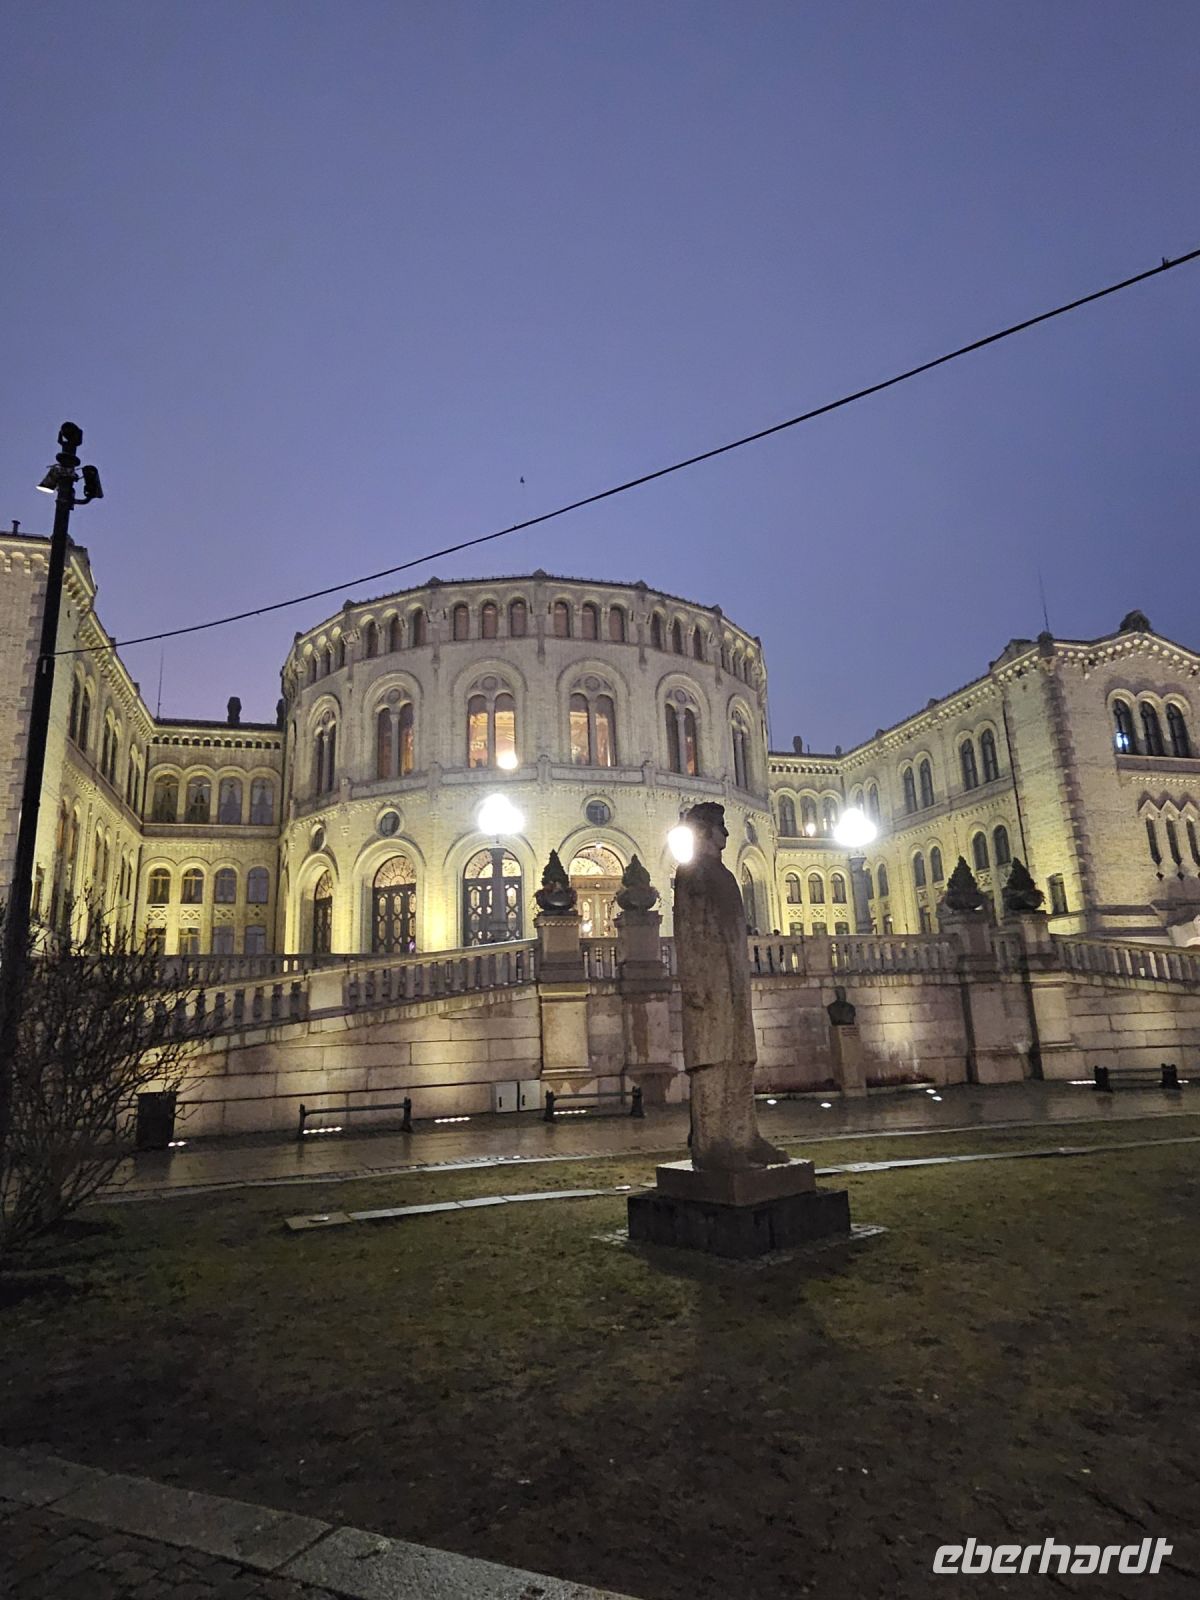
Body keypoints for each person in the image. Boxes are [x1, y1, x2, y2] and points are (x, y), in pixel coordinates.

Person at [674, 802, 787, 1170]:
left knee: (740, 1059)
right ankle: (712, 1144)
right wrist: (696, 984)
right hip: (709, 985)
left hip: (734, 984)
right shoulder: (691, 874)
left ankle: (744, 1136)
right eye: (720, 827)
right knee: (713, 1062)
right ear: (706, 831)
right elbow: (688, 934)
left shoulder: (724, 875)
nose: (726, 834)